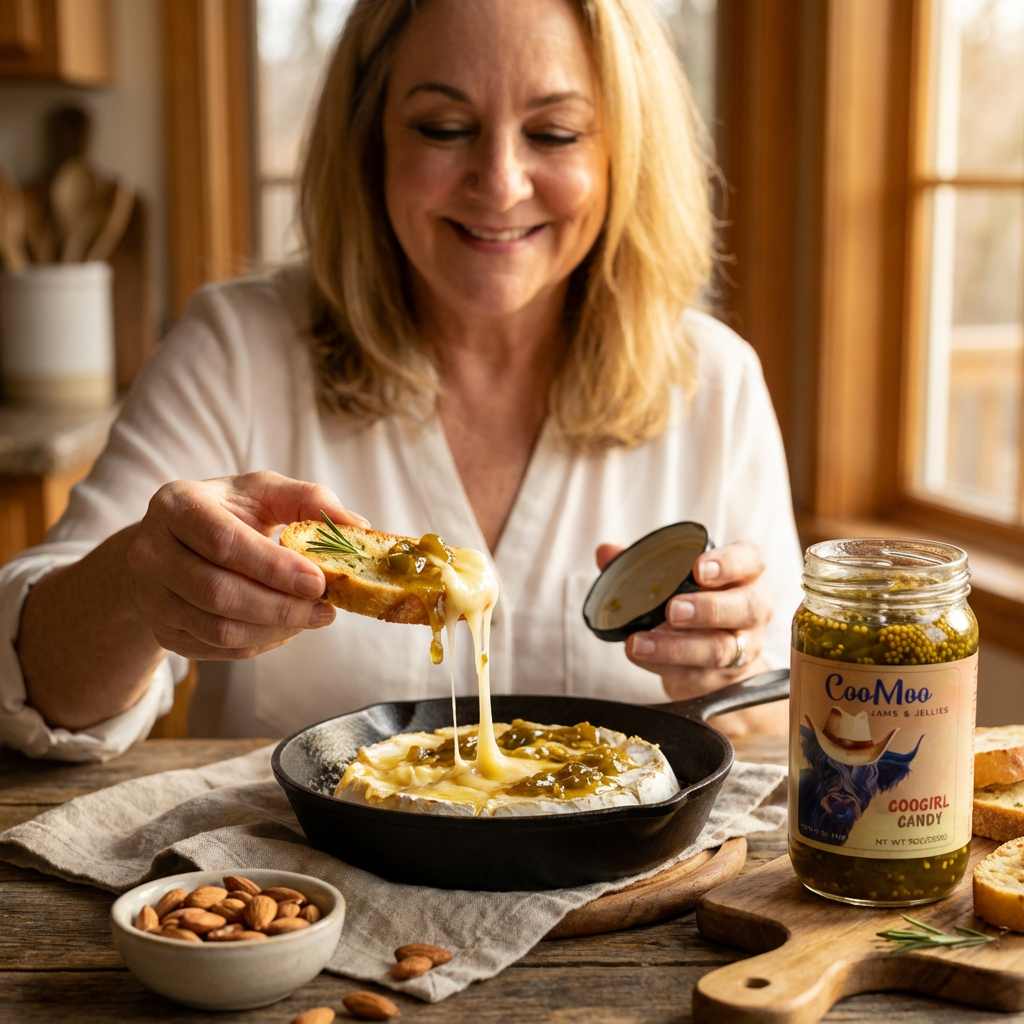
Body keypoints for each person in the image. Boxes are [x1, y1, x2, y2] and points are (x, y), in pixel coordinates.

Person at [0, 0, 802, 762]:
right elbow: (41, 694)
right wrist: (138, 584)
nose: (500, 182)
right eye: (443, 127)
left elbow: (790, 722)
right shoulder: (237, 349)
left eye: (554, 134)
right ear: (370, 140)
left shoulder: (716, 380)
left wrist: (730, 669)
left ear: (624, 152)